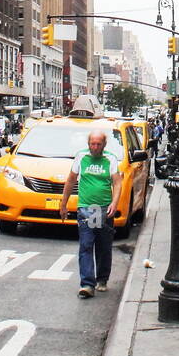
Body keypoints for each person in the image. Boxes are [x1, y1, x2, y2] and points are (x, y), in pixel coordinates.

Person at [60, 125, 123, 298]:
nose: (95, 147)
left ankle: (102, 278)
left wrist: (115, 203)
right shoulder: (81, 157)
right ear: (88, 143)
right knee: (86, 245)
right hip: (86, 208)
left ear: (104, 145)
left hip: (103, 210)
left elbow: (117, 182)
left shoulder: (110, 159)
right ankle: (87, 284)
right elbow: (71, 180)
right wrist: (63, 204)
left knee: (103, 246)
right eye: (92, 144)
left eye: (98, 144)